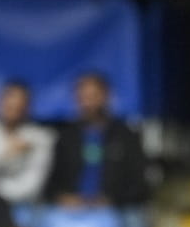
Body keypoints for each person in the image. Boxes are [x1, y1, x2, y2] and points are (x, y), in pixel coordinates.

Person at [44, 71, 150, 210]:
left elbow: (139, 185)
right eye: (83, 97)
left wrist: (111, 200)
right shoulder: (66, 137)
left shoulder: (126, 136)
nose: (88, 103)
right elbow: (51, 183)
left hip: (116, 210)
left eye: (93, 96)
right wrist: (63, 198)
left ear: (106, 96)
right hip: (72, 210)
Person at [0, 79, 55, 204]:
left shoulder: (41, 138)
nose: (13, 111)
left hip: (21, 208)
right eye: (9, 106)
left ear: (27, 108)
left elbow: (31, 187)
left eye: (19, 107)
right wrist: (4, 156)